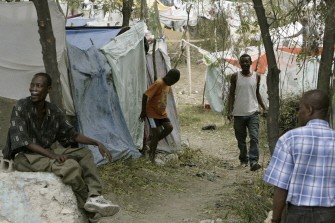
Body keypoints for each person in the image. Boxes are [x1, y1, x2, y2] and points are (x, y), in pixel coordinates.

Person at [2, 72, 119, 222]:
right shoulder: (20, 107)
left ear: (48, 89)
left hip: (46, 152)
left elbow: (72, 135)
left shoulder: (53, 111)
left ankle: (95, 196)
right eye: (32, 85)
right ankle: (87, 208)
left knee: (84, 153)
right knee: (71, 167)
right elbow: (25, 142)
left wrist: (97, 143)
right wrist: (54, 156)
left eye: (39, 85)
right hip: (25, 157)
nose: (34, 89)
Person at [264, 89, 335, 223]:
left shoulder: (289, 139)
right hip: (331, 214)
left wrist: (276, 219)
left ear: (309, 109)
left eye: (300, 108)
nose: (298, 113)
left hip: (298, 215)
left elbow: (281, 186)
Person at [227, 54, 267, 171]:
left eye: (247, 62)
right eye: (242, 62)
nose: (245, 64)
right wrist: (230, 111)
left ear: (251, 63)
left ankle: (253, 161)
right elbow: (231, 94)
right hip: (238, 113)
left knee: (254, 137)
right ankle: (243, 159)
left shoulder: (257, 77)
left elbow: (257, 93)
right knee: (241, 139)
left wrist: (264, 107)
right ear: (240, 64)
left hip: (253, 113)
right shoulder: (235, 77)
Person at [139, 68, 180, 162]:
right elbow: (145, 95)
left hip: (161, 114)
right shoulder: (159, 83)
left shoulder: (168, 85)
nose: (172, 84)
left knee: (169, 128)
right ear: (168, 77)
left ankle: (151, 142)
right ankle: (151, 157)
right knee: (156, 133)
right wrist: (143, 111)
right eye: (172, 81)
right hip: (152, 113)